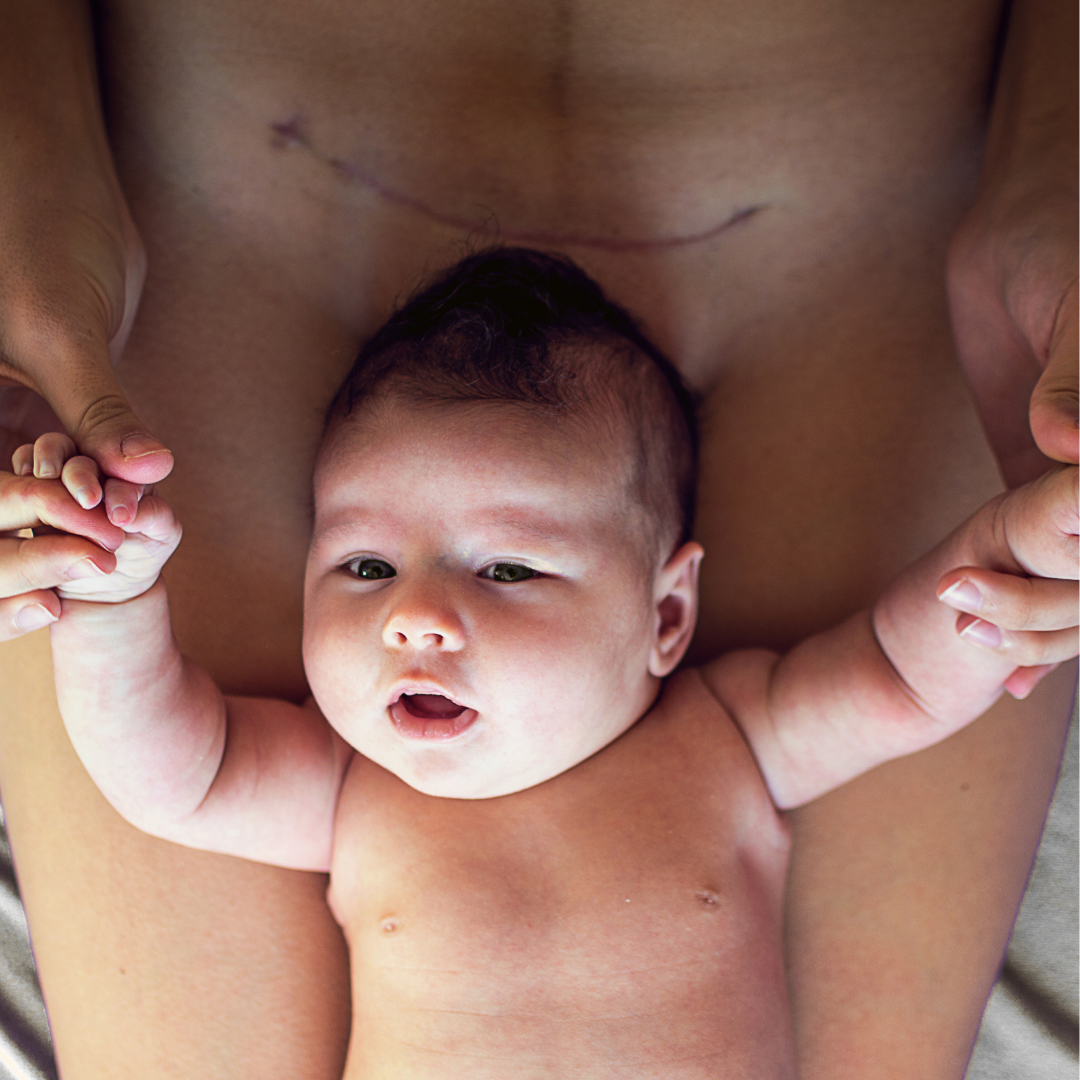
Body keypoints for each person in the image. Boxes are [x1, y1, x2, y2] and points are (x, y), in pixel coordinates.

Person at [0, 1, 1076, 1076]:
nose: (413, 618)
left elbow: (906, 669)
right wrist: (114, 595)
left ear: (665, 615)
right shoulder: (353, 789)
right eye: (364, 568)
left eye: (508, 570)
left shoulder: (730, 741)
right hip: (226, 221)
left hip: (864, 246)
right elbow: (168, 769)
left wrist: (1014, 552)